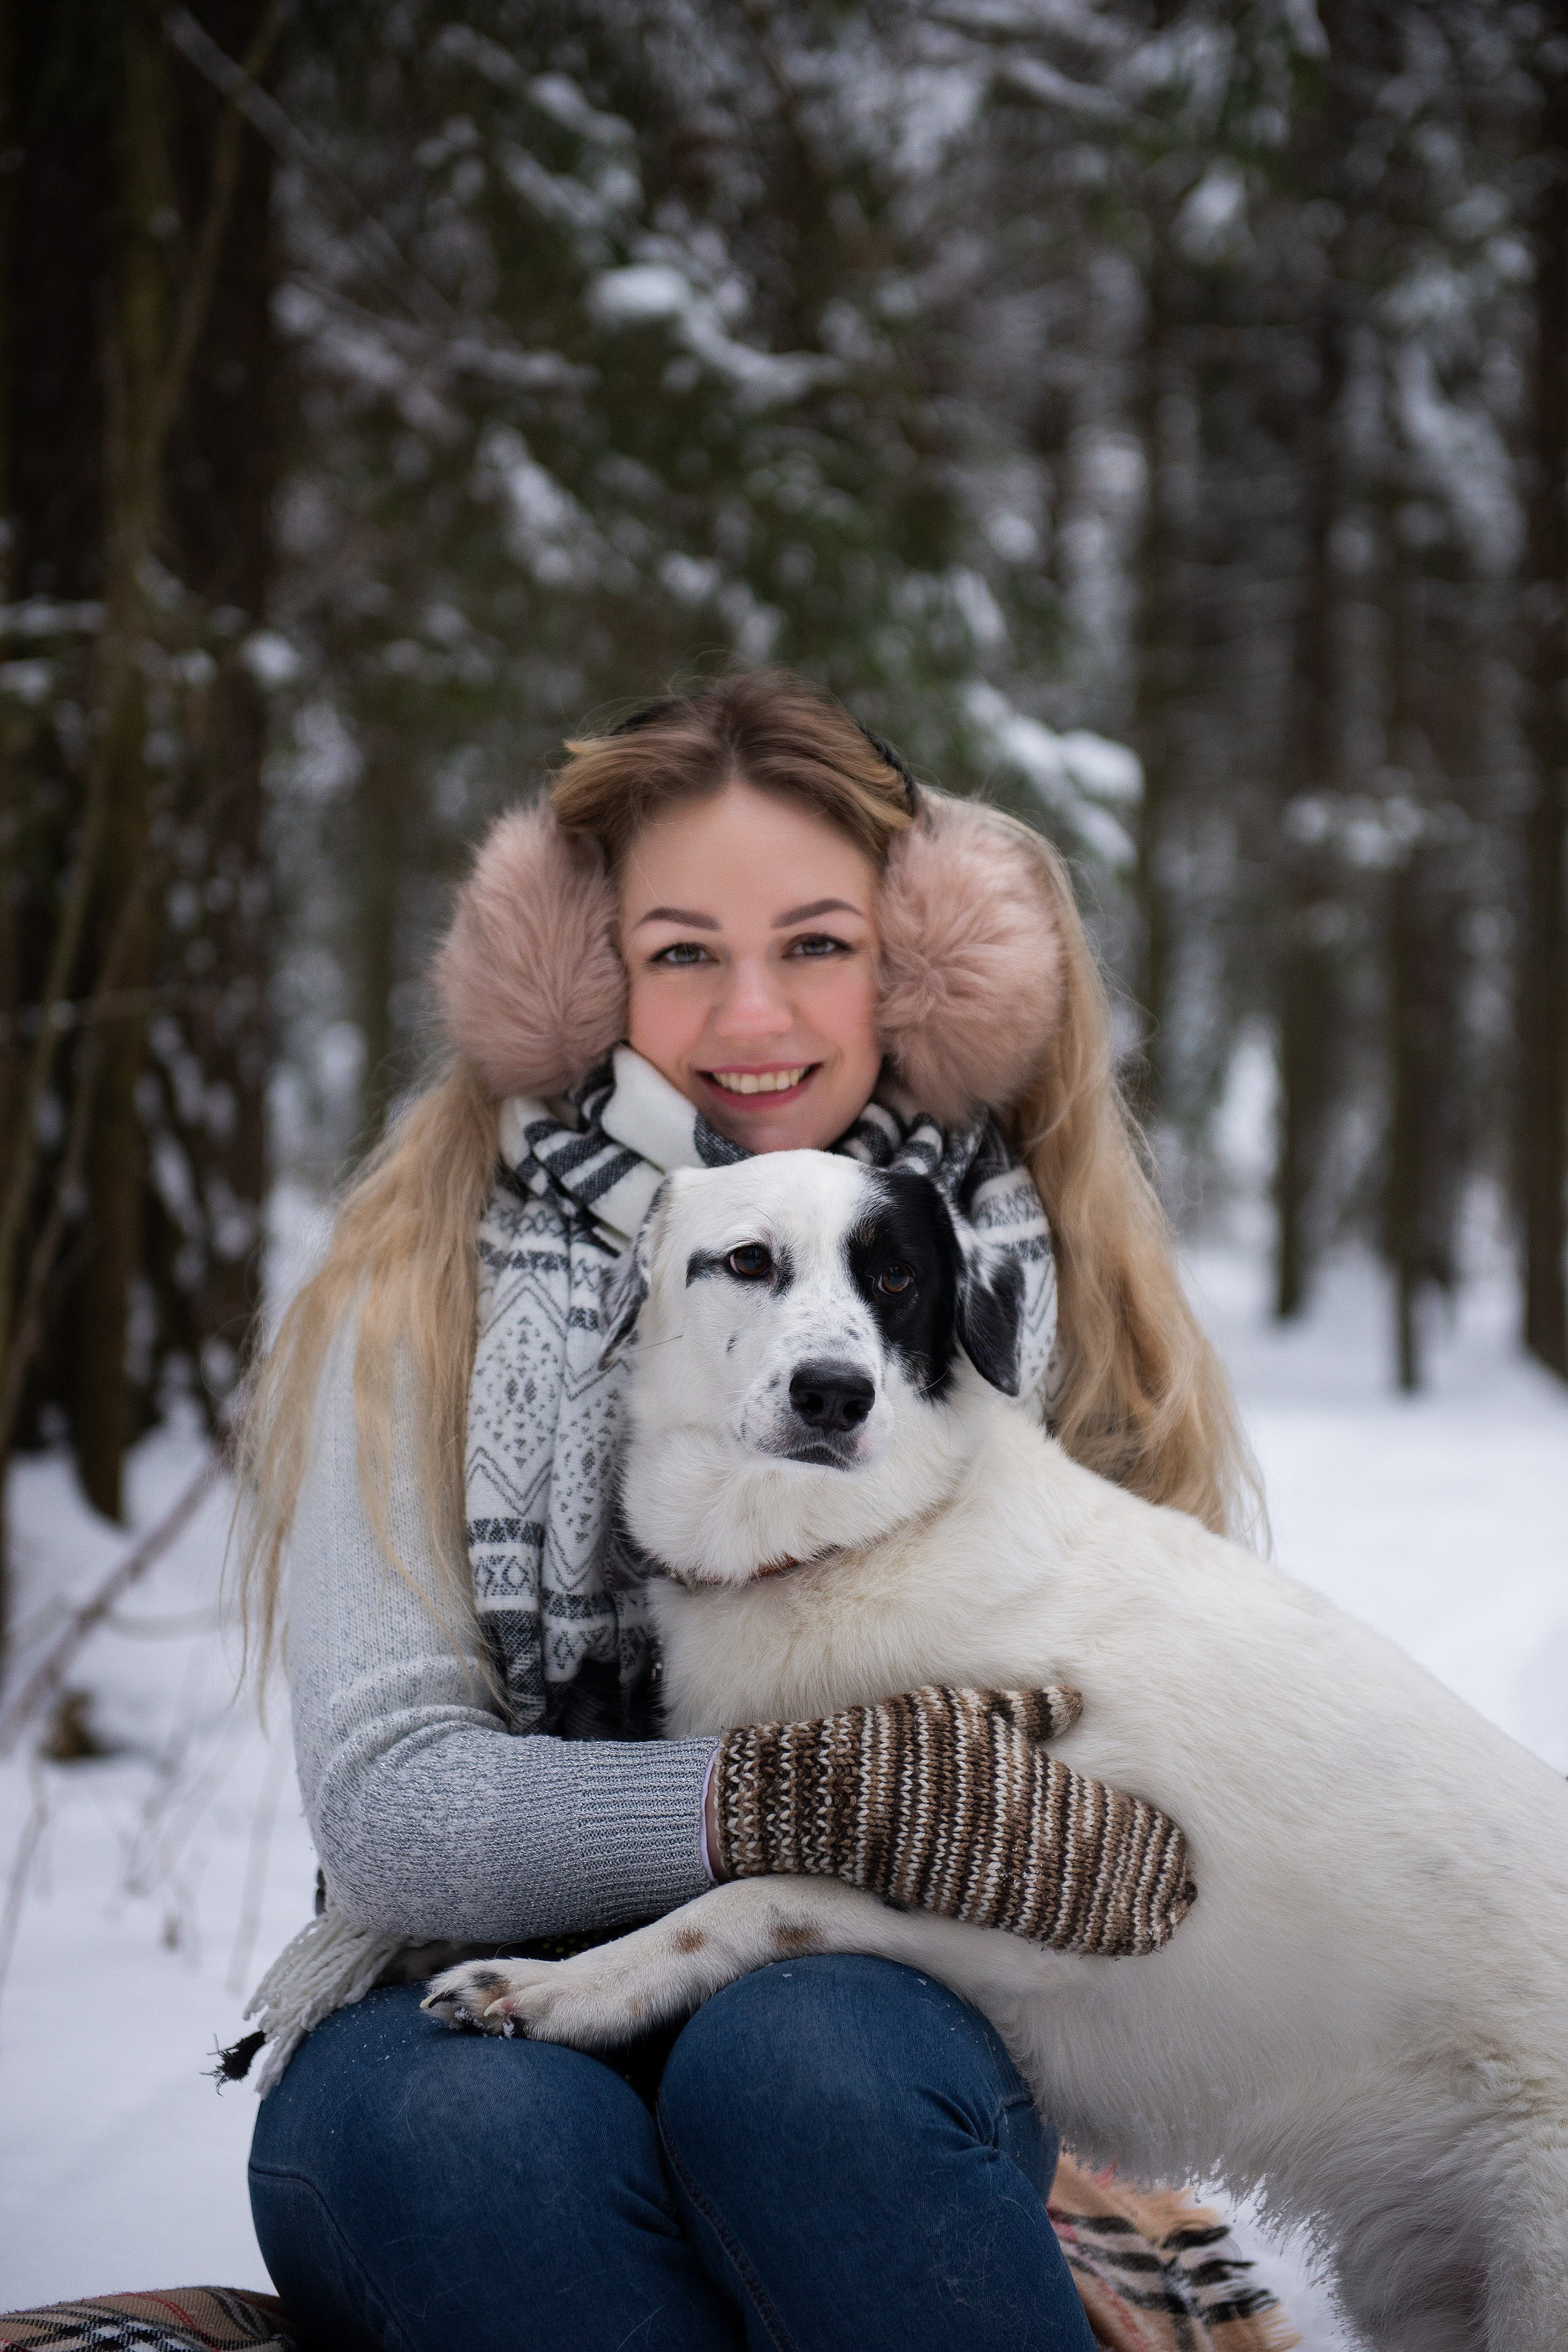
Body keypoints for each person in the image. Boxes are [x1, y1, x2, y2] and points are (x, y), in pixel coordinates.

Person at [238, 669, 1258, 2352]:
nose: (752, 1015)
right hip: (446, 1982)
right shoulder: (424, 1290)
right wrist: (797, 1795)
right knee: (470, 2146)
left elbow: (1143, 1787)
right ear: (584, 976)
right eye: (681, 952)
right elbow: (393, 1808)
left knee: (807, 2074)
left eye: (817, 943)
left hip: (893, 1988)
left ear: (914, 967)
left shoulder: (1010, 1282)